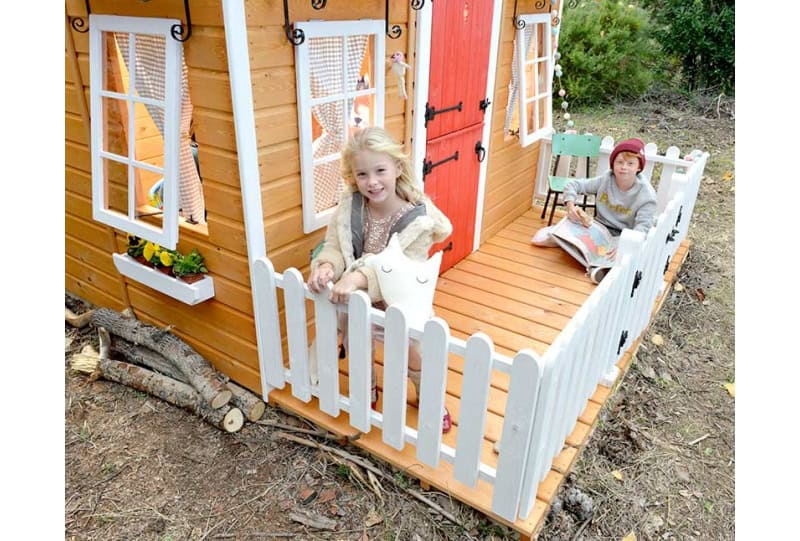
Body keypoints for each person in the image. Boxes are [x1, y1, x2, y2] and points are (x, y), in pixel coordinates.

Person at [306, 127, 454, 432]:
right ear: (353, 177)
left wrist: (358, 277)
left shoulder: (418, 221)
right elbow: (335, 244)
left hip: (399, 301)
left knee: (413, 352)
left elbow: (397, 268)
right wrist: (328, 267)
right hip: (357, 299)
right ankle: (368, 387)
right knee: (357, 343)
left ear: (397, 169)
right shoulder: (350, 208)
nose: (372, 182)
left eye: (380, 171)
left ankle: (426, 394)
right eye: (362, 174)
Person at [531, 137, 657, 283]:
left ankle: (600, 269)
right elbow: (574, 185)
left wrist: (626, 245)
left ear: (639, 167)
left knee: (619, 256)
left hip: (621, 236)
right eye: (620, 162)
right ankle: (563, 239)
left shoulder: (647, 195)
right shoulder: (606, 179)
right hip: (598, 228)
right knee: (576, 227)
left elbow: (643, 226)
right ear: (613, 164)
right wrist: (570, 205)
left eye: (630, 163)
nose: (624, 167)